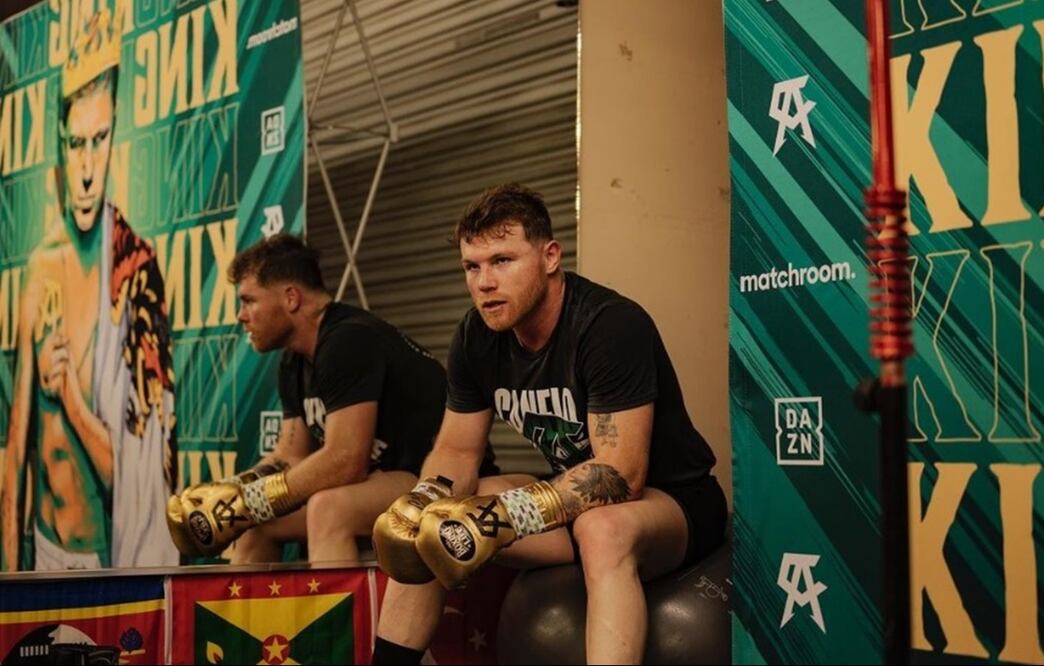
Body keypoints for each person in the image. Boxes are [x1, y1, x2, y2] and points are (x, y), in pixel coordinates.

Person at [371, 183, 728, 664]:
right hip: (571, 506)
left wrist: (504, 516)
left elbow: (620, 474)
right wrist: (425, 498)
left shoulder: (608, 325)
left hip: (670, 502)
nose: (484, 282)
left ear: (550, 257)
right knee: (437, 520)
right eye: (472, 267)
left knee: (602, 529)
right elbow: (457, 450)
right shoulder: (476, 337)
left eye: (502, 260)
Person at [166, 234, 493, 563]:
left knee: (328, 508)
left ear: (291, 298)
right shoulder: (294, 361)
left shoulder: (347, 339)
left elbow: (345, 460)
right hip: (379, 482)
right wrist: (231, 495)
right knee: (255, 523)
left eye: (249, 300)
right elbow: (290, 455)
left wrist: (251, 501)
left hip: (428, 480)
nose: (241, 315)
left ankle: (335, 602)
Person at [1, 9, 177, 571]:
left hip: (108, 562)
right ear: (60, 143)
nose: (85, 168)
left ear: (114, 137)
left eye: (98, 141)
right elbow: (16, 451)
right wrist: (9, 579)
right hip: (45, 550)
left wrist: (73, 401)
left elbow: (137, 483)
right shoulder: (39, 268)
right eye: (75, 143)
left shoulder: (135, 276)